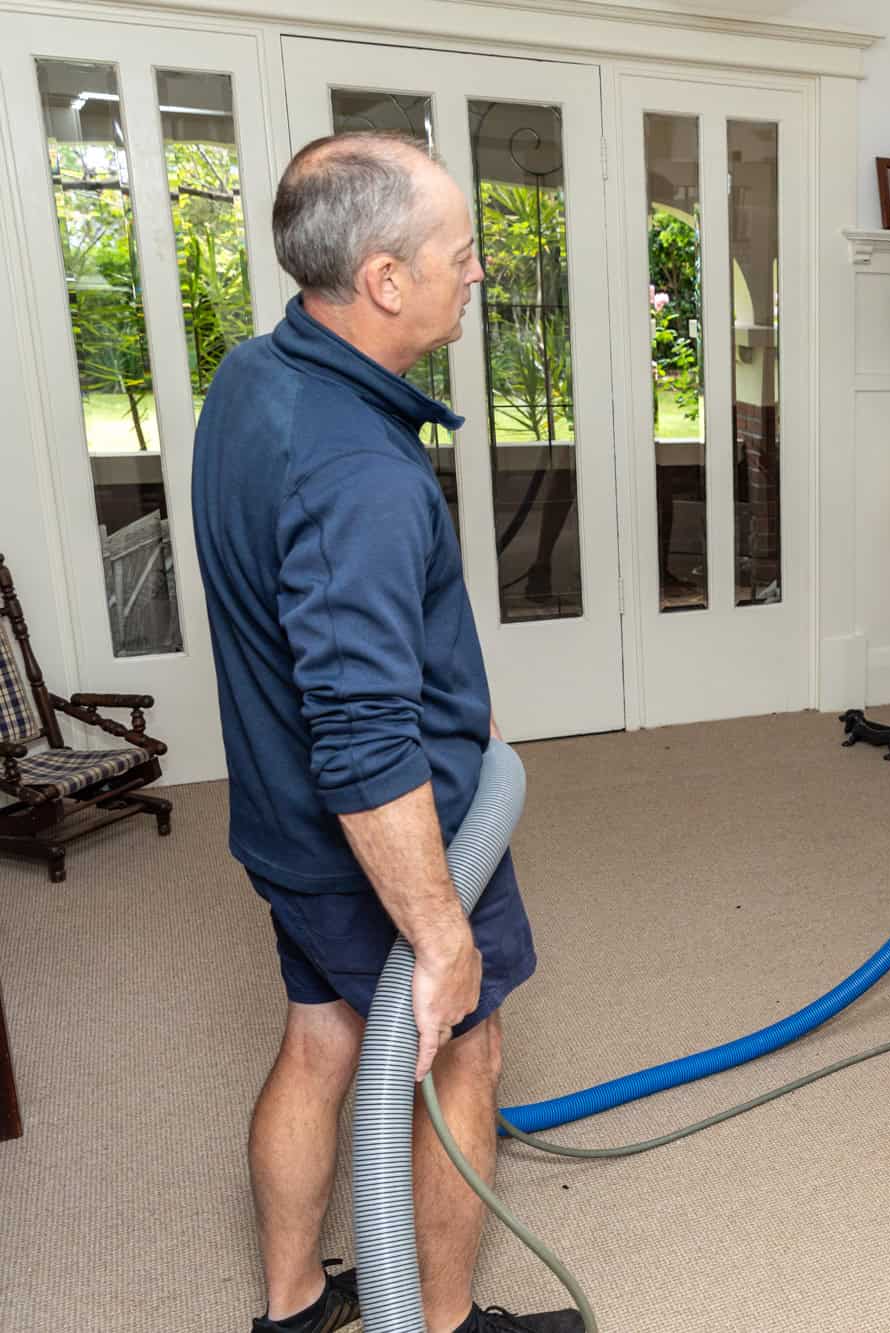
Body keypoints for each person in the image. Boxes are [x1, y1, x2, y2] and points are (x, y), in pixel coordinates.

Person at [190, 132, 579, 1333]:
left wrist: (461, 698)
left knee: (323, 1036)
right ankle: (441, 1321)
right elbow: (360, 738)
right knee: (464, 1053)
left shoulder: (260, 377)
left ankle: (295, 1304)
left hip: (279, 816)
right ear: (383, 280)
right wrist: (437, 928)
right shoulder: (357, 470)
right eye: (460, 254)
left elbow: (344, 639)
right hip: (382, 833)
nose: (478, 272)